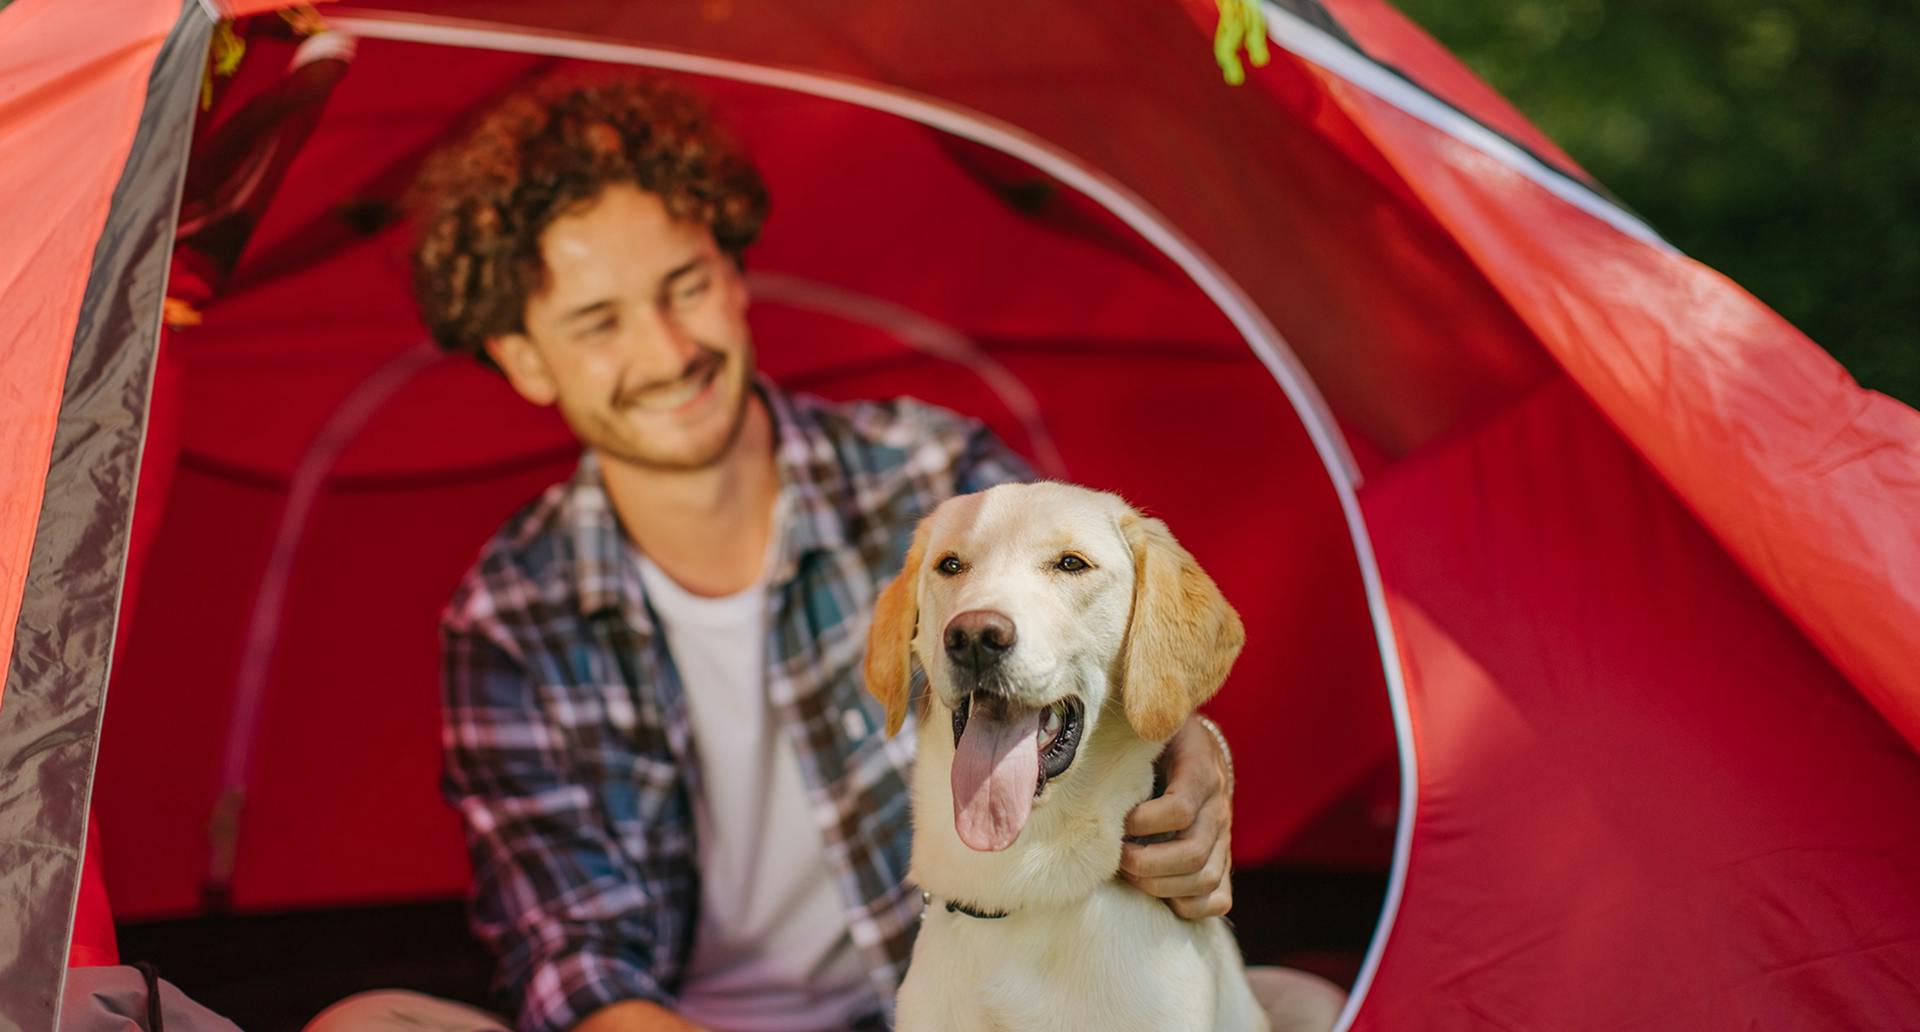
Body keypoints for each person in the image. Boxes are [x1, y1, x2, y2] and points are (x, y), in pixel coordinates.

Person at [309, 73, 1342, 1032]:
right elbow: (573, 962)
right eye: (599, 323)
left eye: (686, 285)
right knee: (362, 1026)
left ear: (735, 274)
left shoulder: (930, 475)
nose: (667, 351)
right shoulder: (511, 611)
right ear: (526, 361)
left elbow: (1091, 646)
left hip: (973, 995)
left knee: (1300, 1001)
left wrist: (1191, 751)